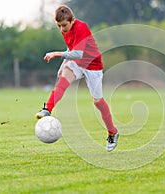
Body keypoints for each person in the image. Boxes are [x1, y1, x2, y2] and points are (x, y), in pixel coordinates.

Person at [35, 5, 119, 152]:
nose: (62, 29)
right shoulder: (65, 29)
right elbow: (71, 49)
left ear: (72, 20)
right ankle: (47, 109)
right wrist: (63, 64)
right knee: (62, 82)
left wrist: (57, 54)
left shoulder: (81, 27)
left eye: (64, 25)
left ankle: (112, 132)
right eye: (59, 26)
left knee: (98, 102)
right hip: (77, 64)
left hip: (93, 66)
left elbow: (78, 53)